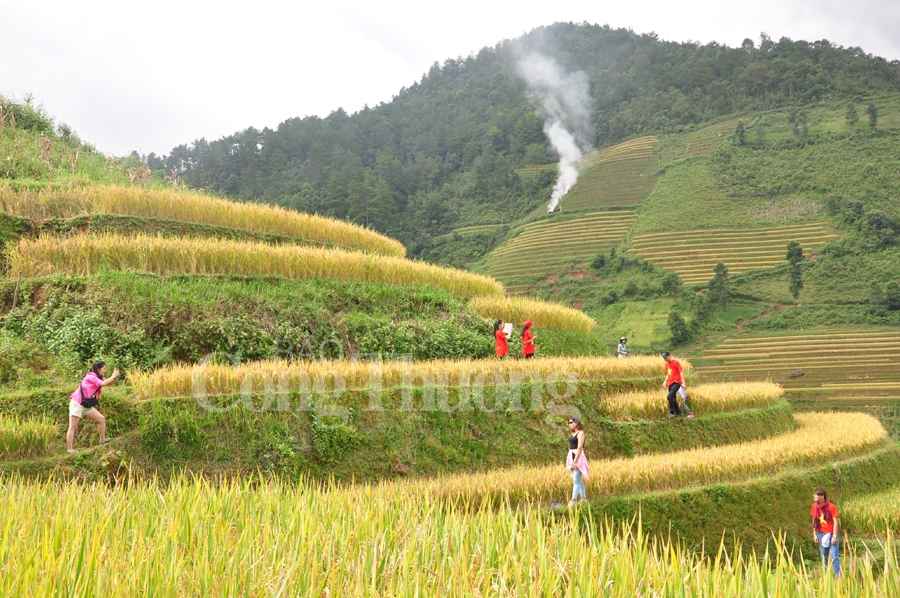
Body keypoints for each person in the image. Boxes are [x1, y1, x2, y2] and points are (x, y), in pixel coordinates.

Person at [66, 360, 120, 453]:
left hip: (86, 404)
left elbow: (107, 382)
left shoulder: (98, 377)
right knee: (73, 426)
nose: (105, 371)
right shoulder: (91, 376)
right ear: (98, 369)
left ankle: (102, 440)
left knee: (101, 419)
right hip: (77, 403)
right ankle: (69, 450)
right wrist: (113, 376)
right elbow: (103, 383)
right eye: (104, 369)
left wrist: (114, 377)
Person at [811, 488, 841, 578]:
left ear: (822, 496)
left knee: (834, 556)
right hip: (821, 533)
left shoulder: (831, 507)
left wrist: (835, 536)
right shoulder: (814, 506)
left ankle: (837, 576)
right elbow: (814, 520)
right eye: (814, 494)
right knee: (824, 557)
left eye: (816, 495)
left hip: (831, 534)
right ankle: (826, 575)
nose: (814, 496)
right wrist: (814, 534)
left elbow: (836, 521)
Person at [566, 417, 588, 505]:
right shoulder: (573, 433)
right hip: (571, 456)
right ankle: (583, 498)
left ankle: (573, 500)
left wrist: (575, 461)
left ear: (577, 423)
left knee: (576, 479)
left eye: (571, 422)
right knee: (578, 479)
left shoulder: (580, 433)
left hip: (578, 457)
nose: (569, 424)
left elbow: (579, 448)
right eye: (569, 423)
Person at [662, 351, 684, 418]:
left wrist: (683, 382)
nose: (665, 359)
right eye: (664, 358)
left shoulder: (676, 362)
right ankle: (679, 413)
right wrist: (665, 381)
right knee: (673, 399)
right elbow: (668, 374)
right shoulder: (666, 364)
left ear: (669, 356)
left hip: (677, 382)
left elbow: (681, 372)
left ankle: (672, 413)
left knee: (669, 397)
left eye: (666, 358)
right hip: (670, 383)